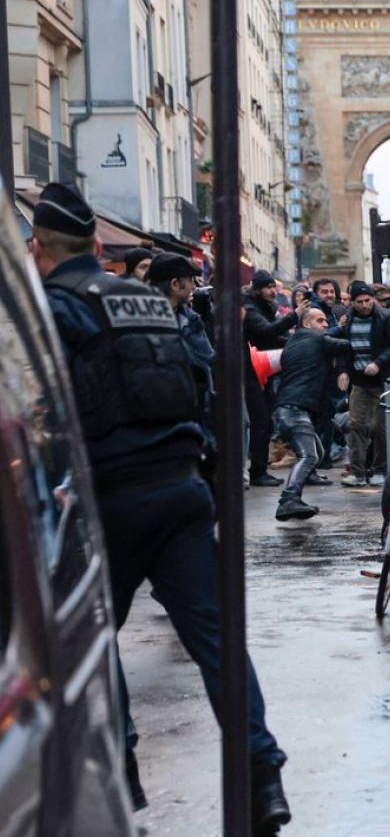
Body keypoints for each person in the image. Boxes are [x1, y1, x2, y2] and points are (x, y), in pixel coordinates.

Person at [32, 182, 292, 831]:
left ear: (39, 249)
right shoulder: (145, 302)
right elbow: (199, 383)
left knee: (90, 644)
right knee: (216, 641)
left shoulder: (53, 309)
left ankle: (122, 776)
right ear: (97, 246)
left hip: (106, 500)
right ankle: (263, 778)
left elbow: (40, 413)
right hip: (180, 490)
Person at [273, 306, 351, 519]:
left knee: (316, 452)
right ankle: (288, 499)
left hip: (287, 409)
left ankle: (294, 495)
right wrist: (349, 327)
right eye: (320, 321)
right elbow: (345, 345)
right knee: (309, 456)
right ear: (306, 324)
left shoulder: (293, 342)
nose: (325, 325)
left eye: (326, 321)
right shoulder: (316, 339)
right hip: (294, 410)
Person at [145, 253, 217, 479]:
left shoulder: (191, 317)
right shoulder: (146, 316)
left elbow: (207, 358)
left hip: (196, 406)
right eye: (191, 281)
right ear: (176, 284)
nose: (195, 287)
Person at [341, 280, 390, 486]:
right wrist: (343, 370)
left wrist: (379, 363)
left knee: (380, 427)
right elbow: (344, 346)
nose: (364, 305)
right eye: (359, 302)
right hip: (359, 380)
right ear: (352, 303)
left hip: (382, 380)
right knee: (356, 424)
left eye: (367, 300)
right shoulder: (348, 319)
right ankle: (358, 472)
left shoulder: (386, 317)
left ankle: (380, 469)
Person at [244, 269, 297, 487]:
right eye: (269, 287)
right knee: (260, 421)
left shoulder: (265, 306)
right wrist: (294, 316)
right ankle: (257, 470)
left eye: (274, 287)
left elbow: (274, 336)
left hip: (260, 371)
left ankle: (259, 469)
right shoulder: (250, 308)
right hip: (249, 371)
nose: (274, 291)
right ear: (257, 288)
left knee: (263, 420)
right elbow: (266, 332)